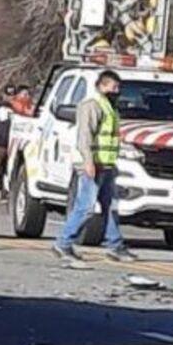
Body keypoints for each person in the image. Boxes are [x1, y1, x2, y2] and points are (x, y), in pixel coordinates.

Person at [53, 70, 137, 268]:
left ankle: (114, 245)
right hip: (92, 165)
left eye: (118, 88)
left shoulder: (110, 108)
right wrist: (88, 162)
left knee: (109, 206)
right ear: (101, 86)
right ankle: (63, 243)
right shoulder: (91, 105)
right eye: (113, 87)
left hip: (107, 164)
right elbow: (84, 136)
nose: (116, 91)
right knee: (85, 207)